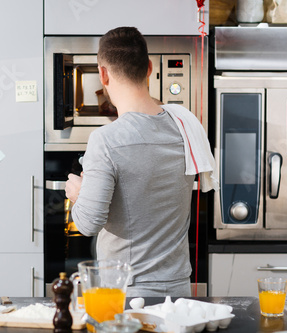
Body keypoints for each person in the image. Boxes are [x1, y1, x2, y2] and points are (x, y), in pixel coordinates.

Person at [65, 26, 218, 297]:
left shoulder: (106, 139)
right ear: (149, 68)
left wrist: (78, 194)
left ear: (103, 74)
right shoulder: (184, 126)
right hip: (178, 290)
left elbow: (88, 224)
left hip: (126, 294)